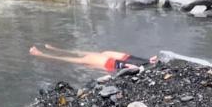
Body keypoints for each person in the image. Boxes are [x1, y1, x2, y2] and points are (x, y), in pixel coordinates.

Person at [29, 44, 157, 72]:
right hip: (114, 64)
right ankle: (146, 61)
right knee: (104, 52)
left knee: (83, 59)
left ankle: (42, 55)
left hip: (116, 66)